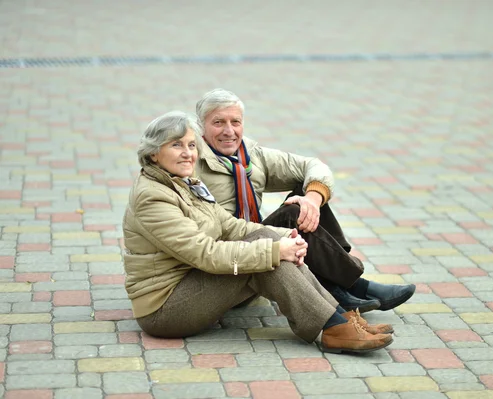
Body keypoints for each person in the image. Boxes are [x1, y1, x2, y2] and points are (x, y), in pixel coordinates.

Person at [122, 111, 395, 354]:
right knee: (265, 260)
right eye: (176, 145)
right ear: (153, 154)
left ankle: (339, 320)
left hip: (191, 281)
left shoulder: (185, 182)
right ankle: (333, 327)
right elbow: (205, 253)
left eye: (192, 145)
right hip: (165, 307)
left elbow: (231, 226)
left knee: (268, 244)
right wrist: (274, 250)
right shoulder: (153, 197)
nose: (188, 153)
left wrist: (282, 237)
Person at [195, 88, 416, 313]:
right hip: (231, 259)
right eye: (218, 122)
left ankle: (337, 286)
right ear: (201, 126)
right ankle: (354, 285)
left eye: (236, 122)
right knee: (293, 214)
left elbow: (313, 166)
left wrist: (312, 198)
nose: (229, 131)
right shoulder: (192, 162)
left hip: (258, 240)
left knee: (306, 193)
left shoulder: (250, 155)